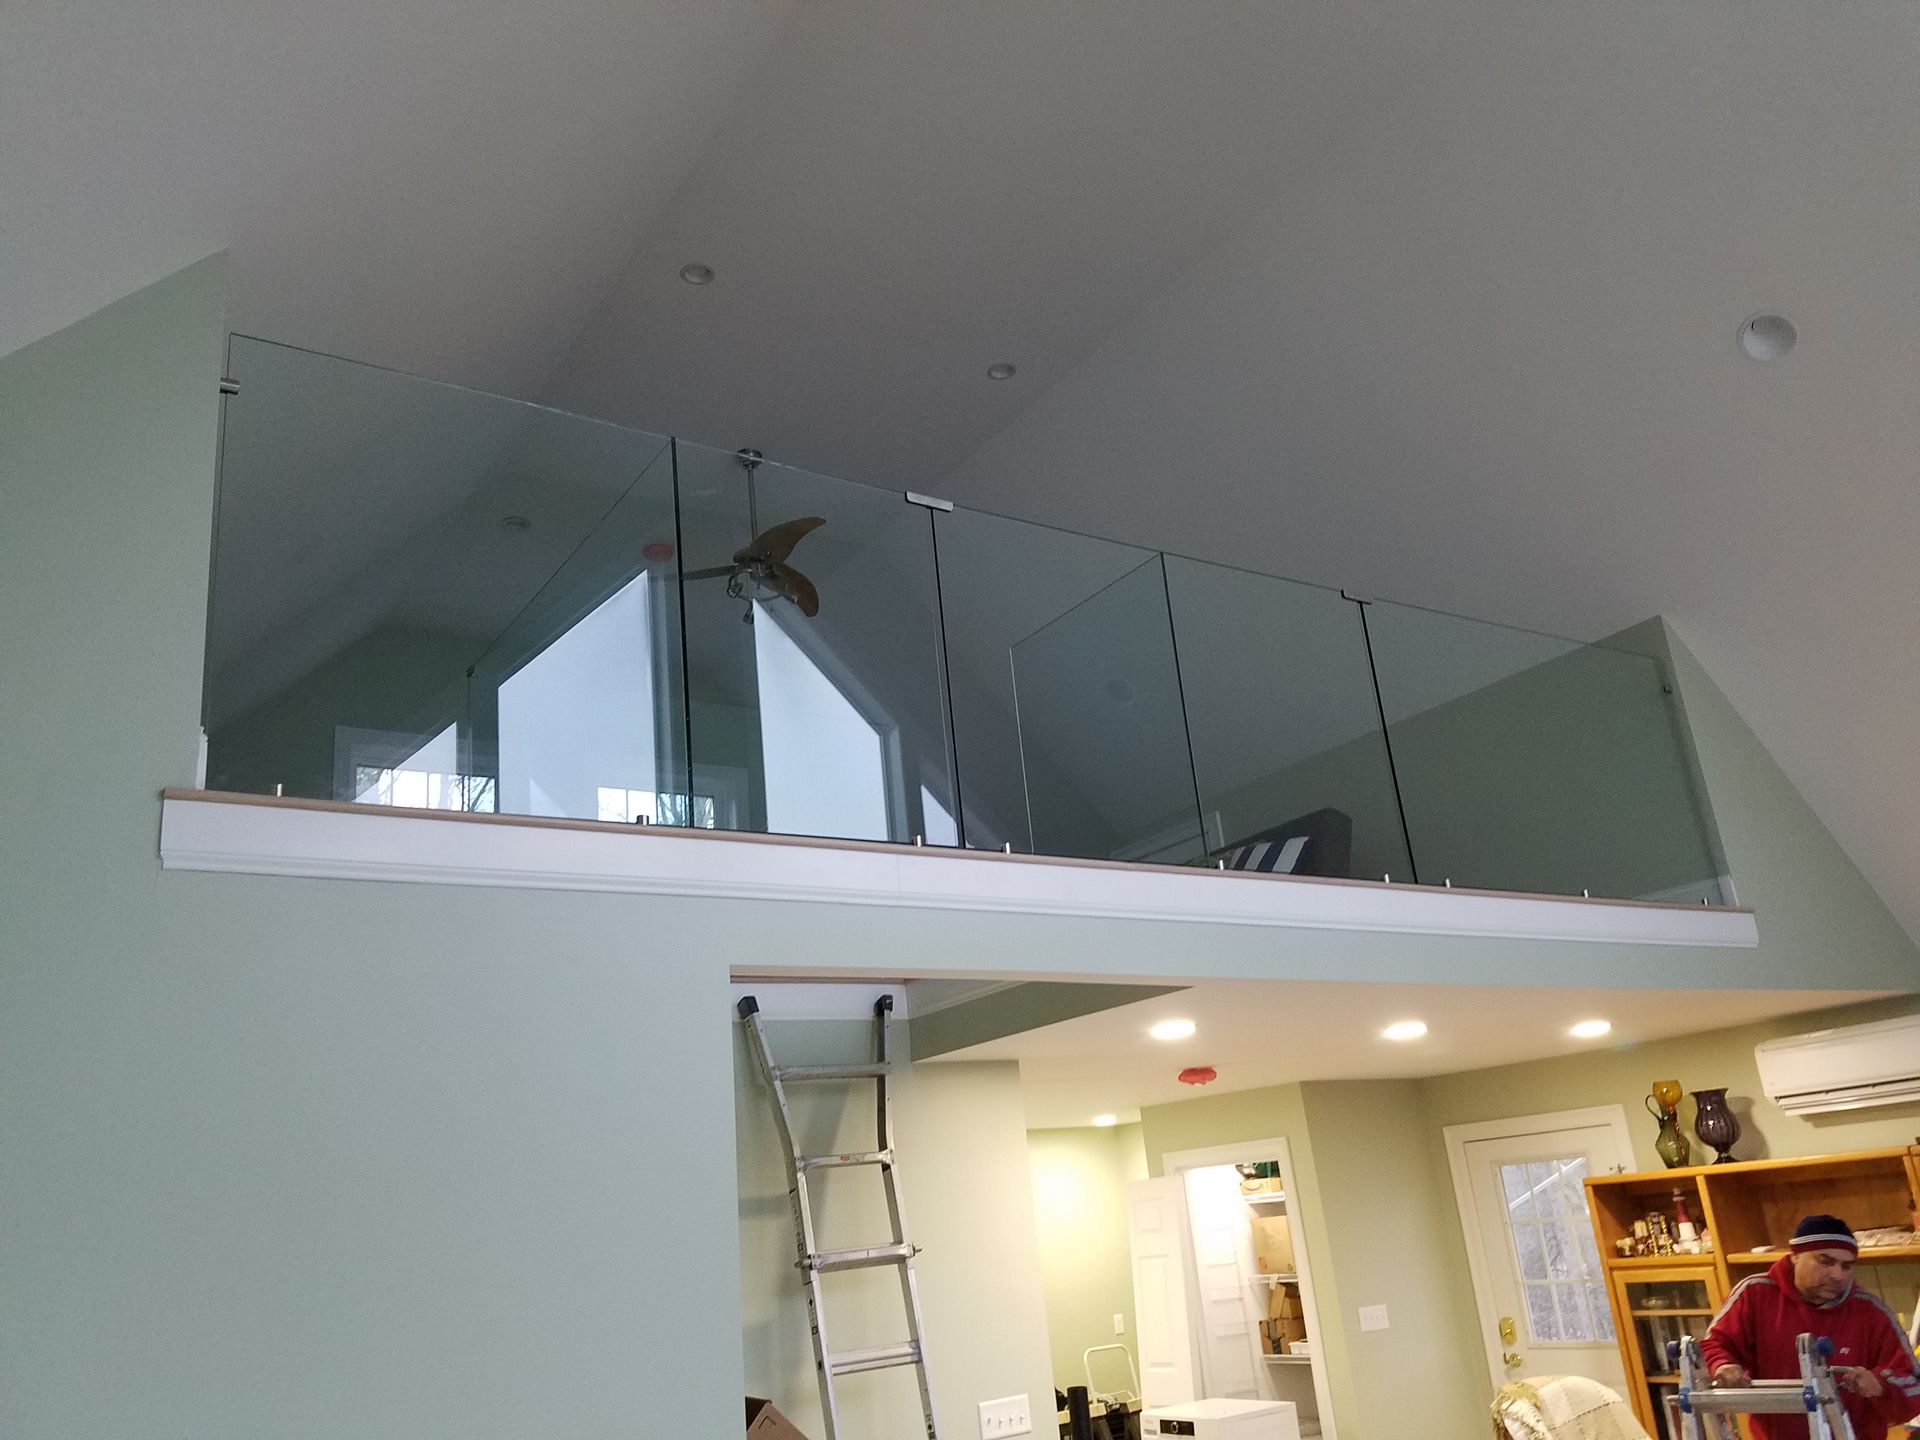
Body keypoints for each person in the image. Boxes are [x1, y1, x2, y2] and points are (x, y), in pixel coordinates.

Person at [1700, 1214, 1920, 1439]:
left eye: (1846, 1266)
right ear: (1795, 1256)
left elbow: (1913, 1384)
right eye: (1825, 1261)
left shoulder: (1871, 1313)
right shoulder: (1754, 1294)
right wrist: (1723, 1365)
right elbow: (1712, 1346)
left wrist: (1879, 1385)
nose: (1837, 1275)